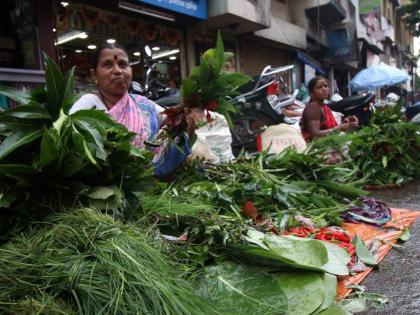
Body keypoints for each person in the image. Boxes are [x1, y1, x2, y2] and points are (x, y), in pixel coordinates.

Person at [70, 43, 191, 178]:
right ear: (94, 75)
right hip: (109, 185)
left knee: (180, 136)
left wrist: (187, 113)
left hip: (149, 182)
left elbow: (171, 119)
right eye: (108, 65)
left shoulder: (141, 102)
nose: (118, 71)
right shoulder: (89, 103)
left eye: (123, 65)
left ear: (130, 70)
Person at [300, 76, 358, 141]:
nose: (324, 89)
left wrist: (345, 123)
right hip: (315, 147)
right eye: (319, 87)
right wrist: (340, 128)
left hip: (327, 143)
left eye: (326, 86)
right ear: (311, 93)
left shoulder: (325, 107)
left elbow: (329, 129)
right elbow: (314, 135)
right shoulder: (313, 107)